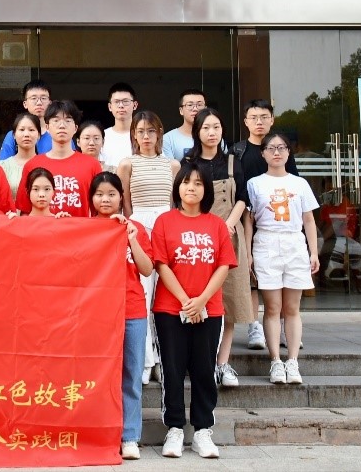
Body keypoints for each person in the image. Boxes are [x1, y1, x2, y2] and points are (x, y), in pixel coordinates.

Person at [151, 163, 235, 460]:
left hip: (209, 310)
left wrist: (201, 301)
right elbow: (161, 265)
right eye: (186, 182)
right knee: (172, 370)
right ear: (178, 187)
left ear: (206, 190)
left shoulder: (216, 225)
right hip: (169, 309)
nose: (191, 188)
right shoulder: (164, 222)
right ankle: (174, 428)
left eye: (198, 183)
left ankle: (202, 430)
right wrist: (187, 301)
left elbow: (223, 265)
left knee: (204, 370)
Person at [183, 108, 252, 390]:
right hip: (197, 239)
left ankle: (223, 363)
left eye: (216, 127)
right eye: (206, 128)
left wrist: (228, 225)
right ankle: (202, 363)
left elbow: (243, 198)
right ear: (197, 131)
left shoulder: (234, 161)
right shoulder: (189, 162)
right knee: (198, 298)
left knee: (228, 303)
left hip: (229, 236)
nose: (212, 133)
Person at [246, 133, 320, 386]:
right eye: (271, 148)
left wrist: (313, 251)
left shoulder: (300, 184)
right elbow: (249, 221)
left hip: (294, 243)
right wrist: (248, 254)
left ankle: (293, 361)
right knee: (272, 307)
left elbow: (308, 219)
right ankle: (276, 361)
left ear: (289, 152)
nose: (276, 152)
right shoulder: (254, 184)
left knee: (292, 308)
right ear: (263, 153)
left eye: (281, 148)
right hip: (266, 243)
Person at [89, 172, 152, 462]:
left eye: (111, 194)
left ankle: (129, 436)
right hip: (95, 314)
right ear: (91, 198)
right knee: (96, 375)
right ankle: (99, 434)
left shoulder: (134, 228)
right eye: (99, 194)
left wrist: (131, 239)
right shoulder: (84, 229)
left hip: (132, 310)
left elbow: (147, 269)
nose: (105, 199)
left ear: (121, 197)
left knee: (131, 374)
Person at [117, 111, 180, 387]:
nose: (146, 136)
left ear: (159, 133)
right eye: (140, 131)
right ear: (133, 134)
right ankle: (144, 361)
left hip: (166, 226)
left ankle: (162, 359)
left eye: (151, 131)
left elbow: (174, 202)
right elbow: (125, 202)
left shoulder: (173, 165)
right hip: (138, 227)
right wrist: (133, 230)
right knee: (142, 294)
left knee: (164, 296)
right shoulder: (127, 164)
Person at [233, 99, 301, 351]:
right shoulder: (238, 151)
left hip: (279, 222)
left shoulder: (280, 149)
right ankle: (254, 327)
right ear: (246, 121)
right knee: (251, 277)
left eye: (264, 117)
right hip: (247, 219)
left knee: (283, 281)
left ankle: (284, 328)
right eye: (254, 117)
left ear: (272, 120)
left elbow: (294, 186)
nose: (259, 122)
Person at [16, 101, 102, 217]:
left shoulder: (92, 165)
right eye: (56, 120)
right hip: (43, 228)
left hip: (79, 228)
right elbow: (25, 211)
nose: (62, 125)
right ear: (47, 127)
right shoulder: (32, 165)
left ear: (75, 128)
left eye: (68, 120)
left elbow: (99, 212)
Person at [0, 80, 53, 160]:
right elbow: (3, 165)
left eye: (43, 98)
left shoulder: (57, 134)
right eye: (34, 98)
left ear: (50, 103)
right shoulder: (14, 135)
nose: (39, 103)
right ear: (25, 104)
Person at [0, 113, 41, 200]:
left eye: (31, 130)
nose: (26, 134)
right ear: (14, 135)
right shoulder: (2, 166)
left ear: (38, 135)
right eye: (22, 130)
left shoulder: (46, 165)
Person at [99, 82, 139, 168]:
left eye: (126, 101)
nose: (121, 105)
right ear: (110, 107)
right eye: (116, 102)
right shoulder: (101, 136)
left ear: (135, 105)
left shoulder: (143, 136)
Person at [162, 89, 207, 161]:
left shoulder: (214, 137)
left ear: (205, 109)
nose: (195, 109)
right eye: (190, 105)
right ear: (181, 110)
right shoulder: (168, 139)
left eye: (199, 105)